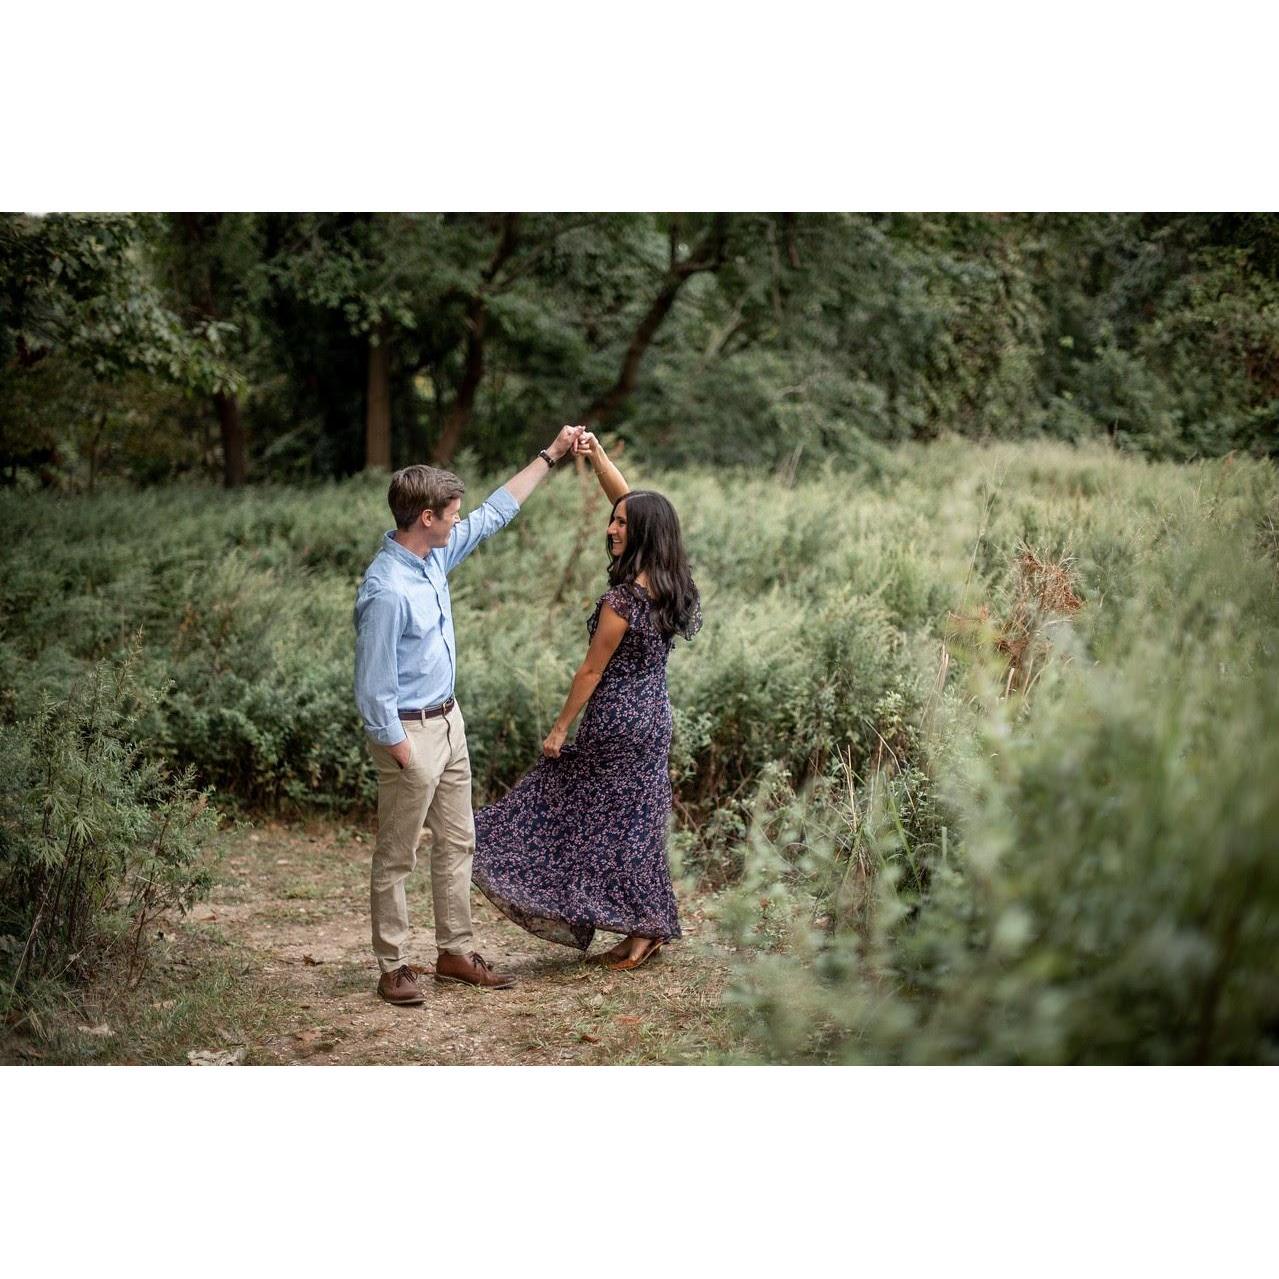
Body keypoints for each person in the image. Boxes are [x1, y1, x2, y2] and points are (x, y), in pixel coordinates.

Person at [354, 424, 583, 1005]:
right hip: (409, 734)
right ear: (426, 516)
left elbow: (495, 513)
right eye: (451, 514)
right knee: (398, 855)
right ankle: (393, 965)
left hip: (449, 724)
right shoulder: (386, 589)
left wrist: (551, 455)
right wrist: (400, 748)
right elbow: (373, 684)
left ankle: (454, 952)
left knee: (458, 842)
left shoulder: (432, 556)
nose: (460, 521)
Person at [472, 431, 702, 970]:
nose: (611, 528)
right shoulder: (672, 584)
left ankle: (624, 916)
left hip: (616, 720)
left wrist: (559, 728)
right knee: (635, 824)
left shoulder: (622, 601)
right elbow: (638, 509)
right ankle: (645, 926)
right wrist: (598, 458)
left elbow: (591, 670)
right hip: (653, 718)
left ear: (641, 534)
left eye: (621, 525)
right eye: (612, 521)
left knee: (560, 806)